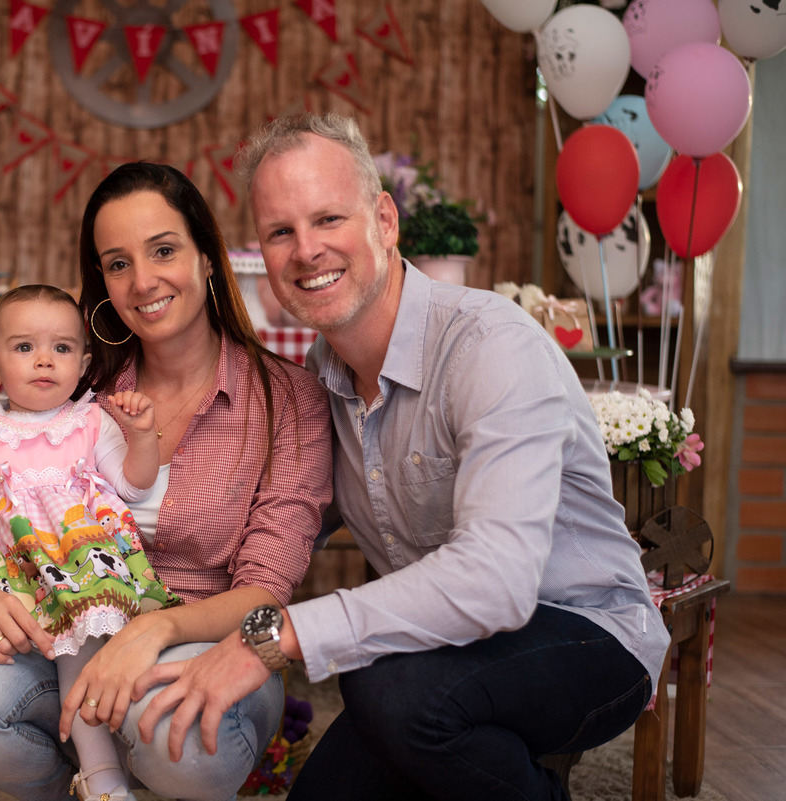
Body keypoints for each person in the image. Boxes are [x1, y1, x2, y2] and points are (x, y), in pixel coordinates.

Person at [133, 112, 672, 800]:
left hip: (589, 634)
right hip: (439, 657)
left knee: (384, 686)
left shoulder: (489, 345)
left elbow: (497, 582)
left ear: (384, 220)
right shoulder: (318, 383)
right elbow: (260, 533)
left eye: (329, 219)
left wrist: (272, 636)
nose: (306, 251)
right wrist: (119, 596)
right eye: (280, 232)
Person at [0, 163, 333, 801]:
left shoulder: (287, 401)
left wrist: (150, 632)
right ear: (100, 280)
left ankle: (135, 762)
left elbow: (265, 594)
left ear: (208, 258)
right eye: (117, 262)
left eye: (163, 250)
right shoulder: (72, 383)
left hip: (201, 641)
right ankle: (79, 784)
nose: (144, 280)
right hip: (55, 627)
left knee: (174, 737)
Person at [0, 284, 180, 800]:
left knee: (85, 654)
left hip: (88, 566)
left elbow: (134, 485)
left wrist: (141, 435)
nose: (45, 360)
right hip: (21, 580)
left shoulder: (90, 420)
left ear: (83, 362)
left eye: (62, 349)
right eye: (24, 348)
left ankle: (107, 774)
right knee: (72, 660)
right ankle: (99, 774)